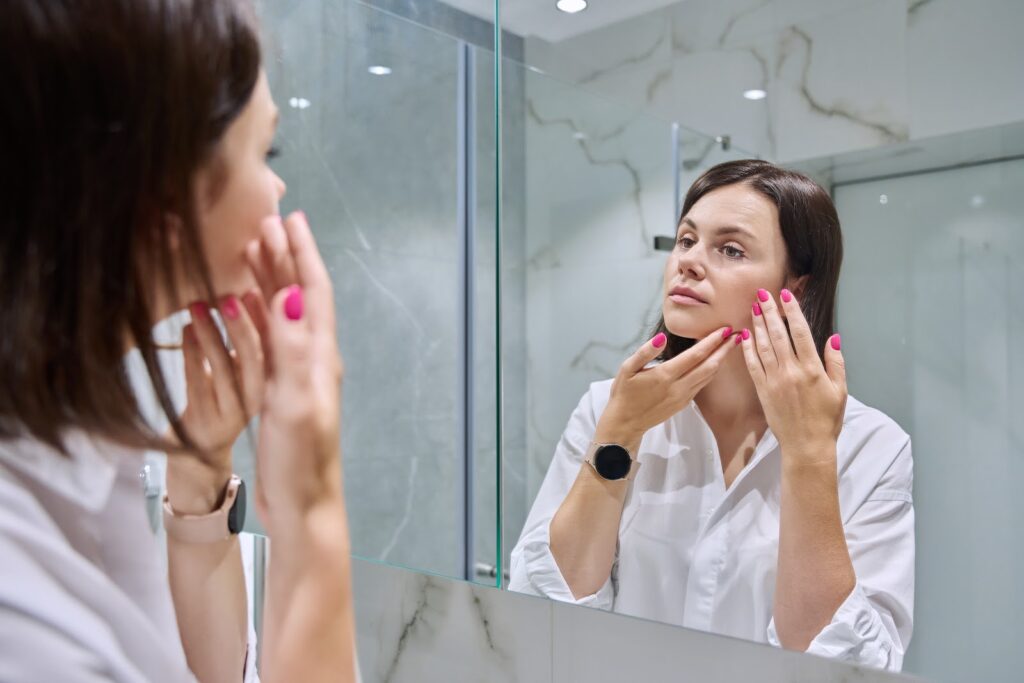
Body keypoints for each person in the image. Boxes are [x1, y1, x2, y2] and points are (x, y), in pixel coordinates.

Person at [0, 2, 354, 681]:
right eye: (266, 153)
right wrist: (312, 515)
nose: (279, 186)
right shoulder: (21, 616)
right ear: (162, 203)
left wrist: (200, 471)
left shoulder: (80, 447)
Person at [510, 160, 914, 672]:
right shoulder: (606, 408)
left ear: (797, 287)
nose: (690, 262)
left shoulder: (872, 445)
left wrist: (809, 454)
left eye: (731, 249)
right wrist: (619, 433)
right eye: (686, 240)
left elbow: (851, 665)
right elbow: (539, 613)